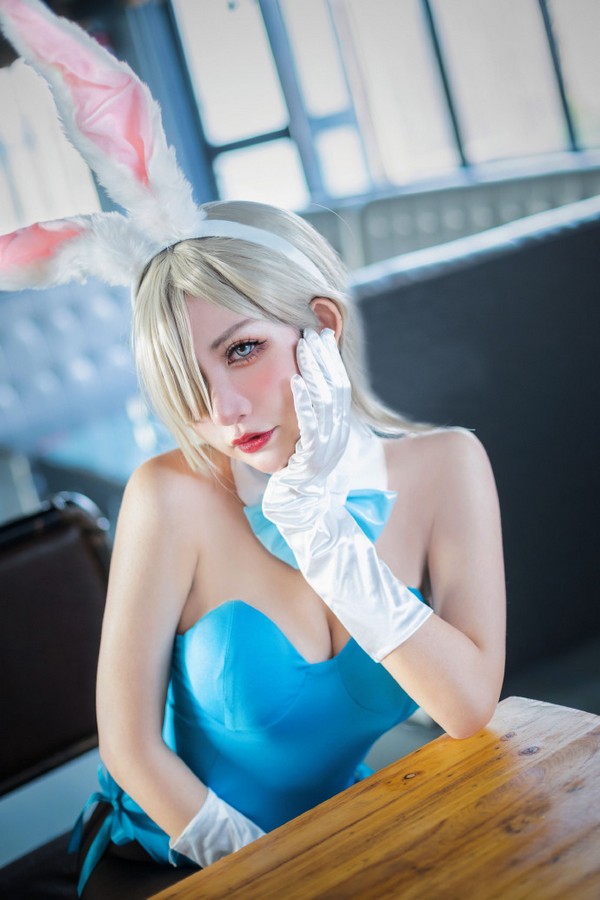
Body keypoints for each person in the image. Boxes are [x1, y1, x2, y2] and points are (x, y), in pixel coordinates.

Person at [0, 2, 506, 897]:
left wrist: (323, 534)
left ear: (322, 327)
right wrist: (261, 870)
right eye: (187, 385)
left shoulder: (447, 466)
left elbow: (466, 706)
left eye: (242, 351)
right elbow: (129, 744)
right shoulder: (170, 495)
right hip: (174, 856)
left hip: (336, 834)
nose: (223, 411)